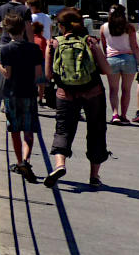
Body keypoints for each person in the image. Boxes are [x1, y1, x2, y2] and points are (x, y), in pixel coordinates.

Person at [48, 9, 112, 186]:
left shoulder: (54, 43)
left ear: (61, 26)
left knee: (63, 129)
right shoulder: (90, 41)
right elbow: (107, 70)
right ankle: (94, 176)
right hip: (93, 92)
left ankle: (60, 164)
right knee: (96, 130)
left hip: (65, 93)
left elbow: (48, 74)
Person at [0, 14, 48, 181]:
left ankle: (19, 161)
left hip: (12, 93)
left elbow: (7, 74)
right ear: (24, 29)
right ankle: (26, 161)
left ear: (6, 30)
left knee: (14, 130)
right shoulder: (34, 49)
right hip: (29, 93)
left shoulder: (6, 49)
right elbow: (38, 74)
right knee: (29, 130)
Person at [107, 6, 139, 122]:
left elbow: (104, 47)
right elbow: (135, 46)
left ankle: (115, 114)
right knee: (126, 90)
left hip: (112, 60)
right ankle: (123, 115)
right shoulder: (129, 28)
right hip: (128, 60)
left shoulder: (104, 27)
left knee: (113, 89)